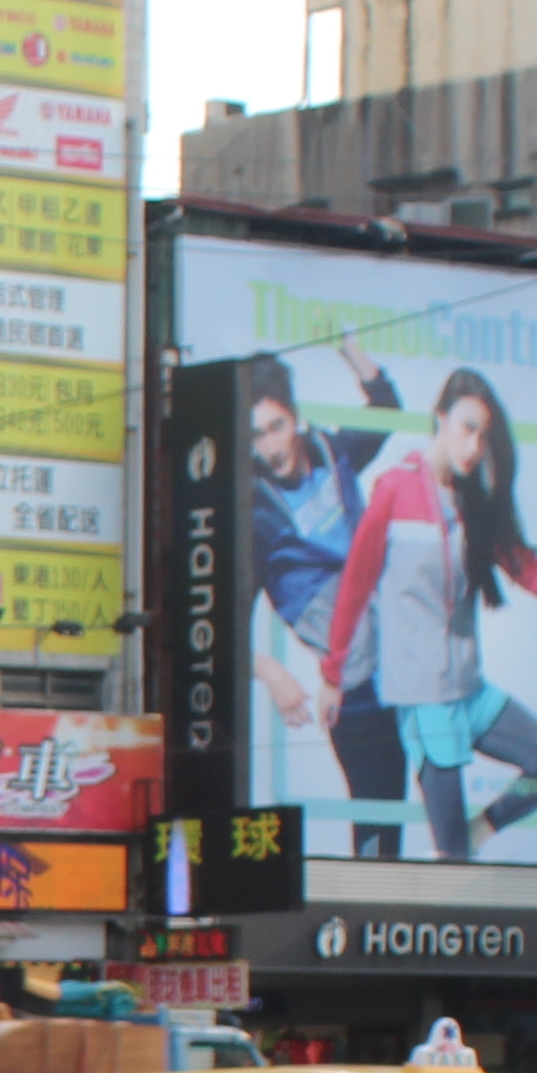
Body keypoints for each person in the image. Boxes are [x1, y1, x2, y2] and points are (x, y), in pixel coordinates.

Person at [321, 366, 537, 860]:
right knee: (455, 859)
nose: (474, 445)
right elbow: (356, 583)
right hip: (422, 698)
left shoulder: (474, 503)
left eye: (484, 436)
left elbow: (527, 569)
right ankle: (454, 862)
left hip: (469, 690)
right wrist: (333, 673)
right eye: (467, 427)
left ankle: (481, 828)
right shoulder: (395, 488)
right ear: (439, 418)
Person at [238, 342, 406, 837]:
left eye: (277, 428)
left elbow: (387, 410)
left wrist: (351, 348)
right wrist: (270, 672)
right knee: (377, 824)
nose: (272, 448)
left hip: (388, 654)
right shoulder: (255, 510)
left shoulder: (332, 451)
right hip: (346, 661)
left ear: (295, 419)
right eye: (256, 437)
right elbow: (216, 628)